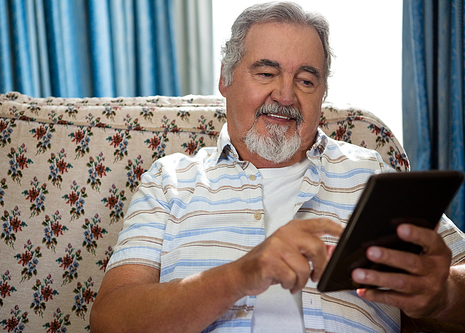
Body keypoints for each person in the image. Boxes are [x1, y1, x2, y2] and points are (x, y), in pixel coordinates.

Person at [90, 2, 465, 332]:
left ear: (322, 93)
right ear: (225, 78)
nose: (286, 95)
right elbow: (110, 321)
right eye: (266, 73)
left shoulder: (371, 172)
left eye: (305, 80)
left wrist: (445, 292)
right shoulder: (170, 180)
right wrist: (240, 275)